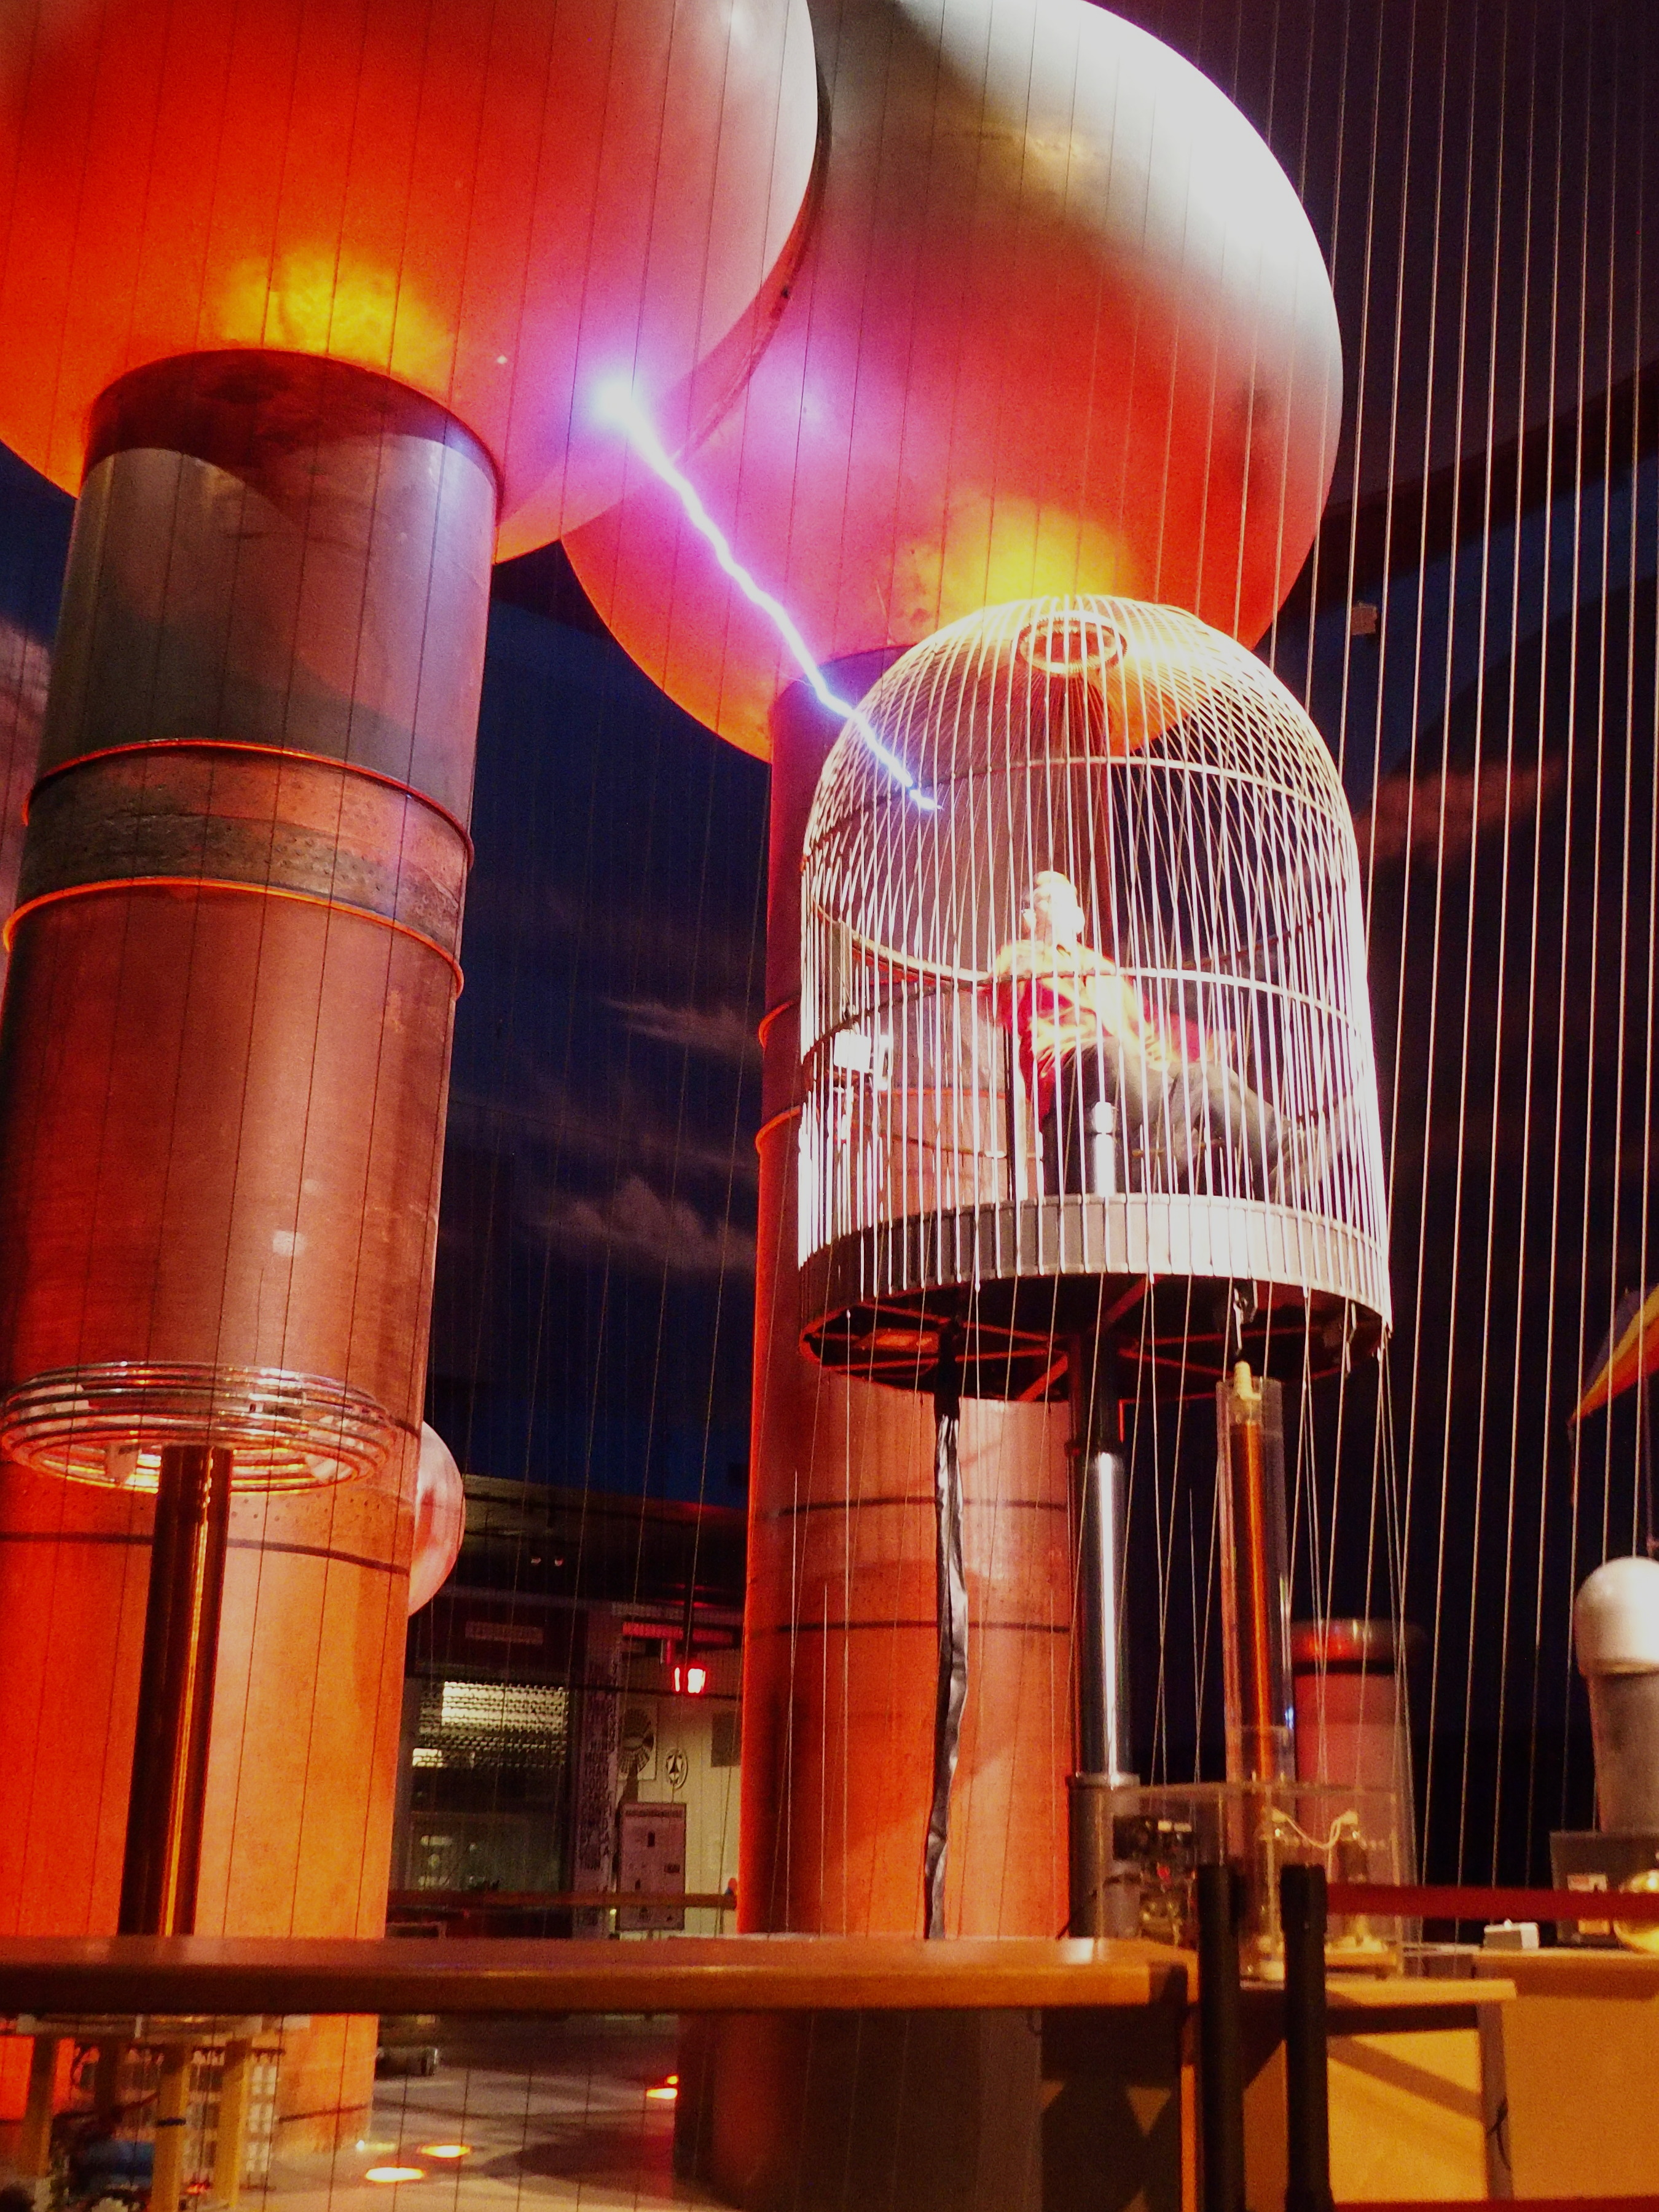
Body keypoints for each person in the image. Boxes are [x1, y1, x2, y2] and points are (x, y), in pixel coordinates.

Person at [986, 869, 1281, 1196]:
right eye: (1047, 901)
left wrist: (1204, 1049)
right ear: (1030, 918)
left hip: (1132, 1073)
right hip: (1071, 1070)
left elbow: (1148, 1030)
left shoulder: (1104, 969)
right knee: (1110, 1053)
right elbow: (1000, 999)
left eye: (1065, 901)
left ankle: (1288, 1152)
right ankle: (1165, 1144)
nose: (1058, 907)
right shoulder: (1019, 958)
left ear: (1080, 919)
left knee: (1208, 1077)